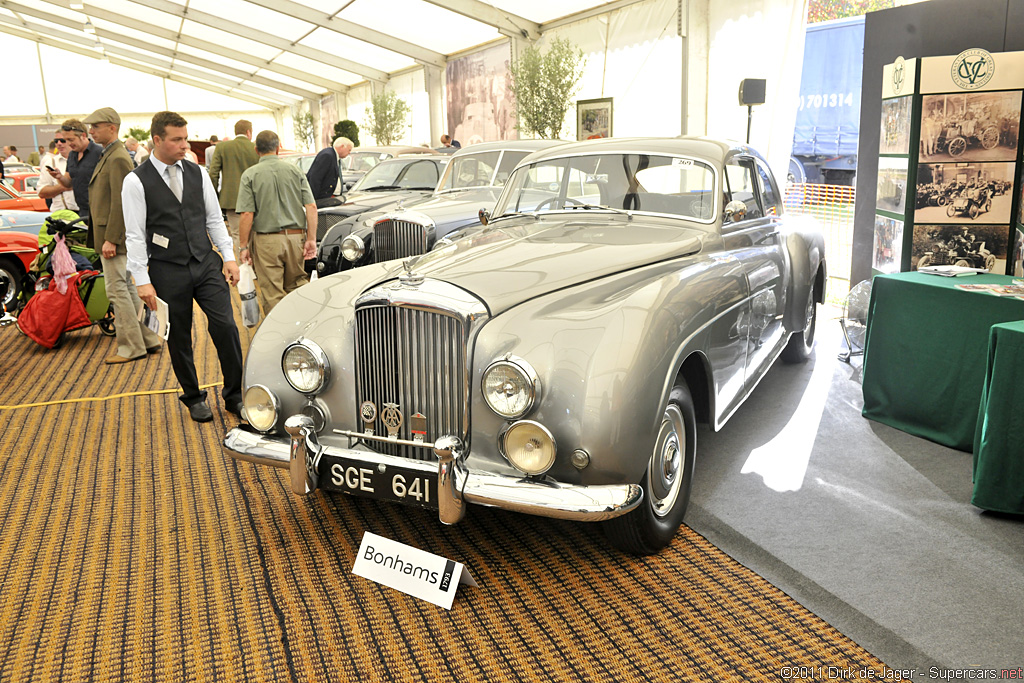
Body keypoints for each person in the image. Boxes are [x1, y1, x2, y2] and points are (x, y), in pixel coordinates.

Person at [123, 110, 244, 423]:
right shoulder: (135, 182)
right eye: (176, 139)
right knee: (179, 337)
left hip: (205, 262)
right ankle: (193, 397)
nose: (184, 144)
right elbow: (134, 235)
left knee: (226, 327)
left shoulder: (197, 172)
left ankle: (235, 396)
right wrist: (141, 280)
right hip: (166, 269)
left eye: (185, 138)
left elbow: (214, 218)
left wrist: (228, 256)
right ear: (157, 140)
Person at [80, 107, 163, 364]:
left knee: (118, 291)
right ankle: (147, 340)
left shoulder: (116, 158)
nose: (91, 131)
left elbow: (121, 202)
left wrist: (112, 238)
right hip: (114, 236)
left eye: (95, 126)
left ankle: (130, 347)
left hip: (114, 237)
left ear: (112, 127)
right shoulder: (113, 154)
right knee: (127, 289)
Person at [237, 130, 316, 314]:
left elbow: (247, 214)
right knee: (297, 287)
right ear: (278, 148)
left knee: (273, 294)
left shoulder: (250, 175)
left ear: (257, 150)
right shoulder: (295, 170)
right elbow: (311, 206)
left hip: (267, 242)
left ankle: (279, 337)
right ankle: (302, 331)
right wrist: (311, 239)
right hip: (297, 238)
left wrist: (243, 247)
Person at [209, 120, 258, 262]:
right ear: (249, 132)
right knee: (255, 234)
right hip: (255, 200)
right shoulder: (255, 147)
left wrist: (216, 197)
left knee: (237, 235)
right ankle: (256, 266)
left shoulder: (222, 147)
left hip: (232, 201)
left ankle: (244, 270)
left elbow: (213, 174)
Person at [46, 118, 102, 220]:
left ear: (83, 136)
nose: (68, 143)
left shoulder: (99, 153)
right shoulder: (72, 155)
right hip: (82, 211)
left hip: (99, 212)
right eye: (65, 140)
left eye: (71, 140)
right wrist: (59, 177)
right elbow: (69, 183)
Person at [305, 136, 352, 208]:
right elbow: (315, 178)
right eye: (349, 150)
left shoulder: (334, 156)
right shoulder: (327, 155)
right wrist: (313, 201)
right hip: (322, 199)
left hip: (329, 198)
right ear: (342, 146)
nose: (349, 153)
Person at [36, 135, 78, 212]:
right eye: (56, 141)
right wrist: (64, 186)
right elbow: (41, 193)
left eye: (62, 140)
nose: (59, 143)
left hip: (84, 213)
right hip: (61, 214)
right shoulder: (50, 163)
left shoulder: (84, 160)